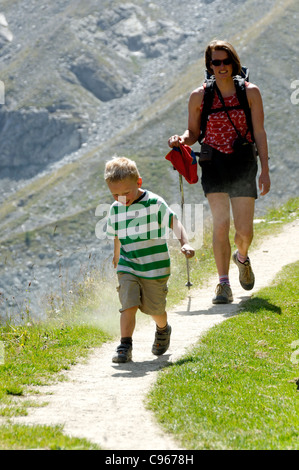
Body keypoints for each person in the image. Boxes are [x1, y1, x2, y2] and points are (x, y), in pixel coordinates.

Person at [168, 39, 270, 304]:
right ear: (209, 65)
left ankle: (242, 257)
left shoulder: (250, 92)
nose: (222, 66)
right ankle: (223, 284)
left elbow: (259, 132)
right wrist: (181, 139)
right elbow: (193, 133)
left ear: (233, 62)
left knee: (244, 232)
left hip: (243, 162)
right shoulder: (199, 96)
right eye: (216, 62)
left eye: (226, 61)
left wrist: (265, 170)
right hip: (213, 163)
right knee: (221, 223)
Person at [104, 156, 195, 363]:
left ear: (139, 183)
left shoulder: (155, 203)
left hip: (155, 268)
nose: (121, 199)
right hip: (129, 264)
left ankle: (163, 329)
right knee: (128, 304)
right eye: (115, 194)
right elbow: (118, 232)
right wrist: (117, 255)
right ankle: (124, 345)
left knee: (155, 310)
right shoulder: (115, 208)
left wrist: (185, 242)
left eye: (126, 193)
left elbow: (175, 222)